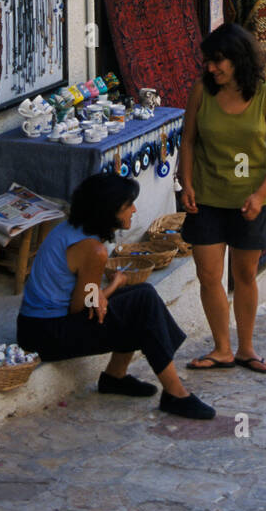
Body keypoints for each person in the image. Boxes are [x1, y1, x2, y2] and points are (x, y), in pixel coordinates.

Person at [17, 173, 215, 420]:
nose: (133, 210)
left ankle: (115, 378)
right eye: (127, 206)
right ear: (107, 212)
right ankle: (175, 394)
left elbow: (83, 294)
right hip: (45, 334)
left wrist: (102, 293)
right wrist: (113, 286)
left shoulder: (72, 229)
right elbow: (81, 308)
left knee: (140, 297)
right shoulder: (93, 250)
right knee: (141, 303)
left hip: (33, 326)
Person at [178, 22, 266, 374]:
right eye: (208, 61)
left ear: (238, 59)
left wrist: (260, 195)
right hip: (208, 199)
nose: (211, 68)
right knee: (209, 275)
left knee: (245, 275)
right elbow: (188, 140)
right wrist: (186, 182)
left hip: (250, 203)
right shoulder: (201, 91)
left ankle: (246, 348)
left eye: (218, 61)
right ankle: (221, 348)